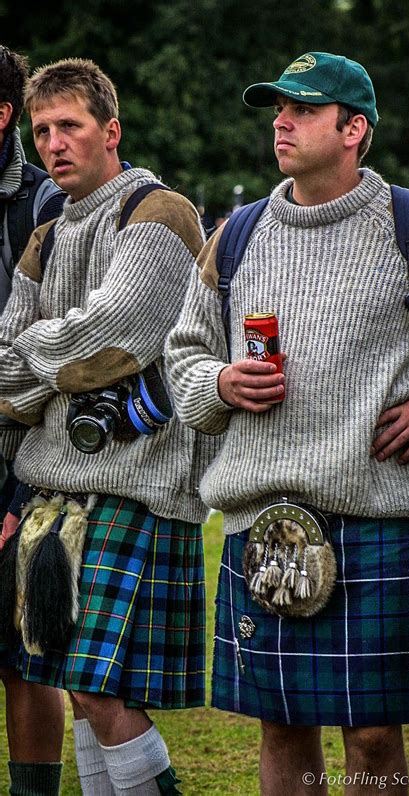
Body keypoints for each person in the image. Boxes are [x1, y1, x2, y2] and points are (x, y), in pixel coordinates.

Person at [166, 51, 409, 794]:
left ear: (353, 127)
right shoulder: (235, 236)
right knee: (282, 725)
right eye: (278, 107)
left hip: (373, 520)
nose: (281, 121)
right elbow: (184, 357)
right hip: (261, 522)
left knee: (371, 736)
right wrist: (221, 382)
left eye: (302, 108)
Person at [0, 57, 219, 795]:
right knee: (87, 697)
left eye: (71, 126)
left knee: (98, 694)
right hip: (54, 495)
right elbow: (5, 371)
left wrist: (35, 355)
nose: (55, 142)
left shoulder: (159, 213)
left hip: (140, 484)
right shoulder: (47, 235)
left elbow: (116, 335)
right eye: (43, 130)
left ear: (111, 131)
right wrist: (48, 361)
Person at [0, 44, 66, 796]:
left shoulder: (44, 203)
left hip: (20, 452)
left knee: (23, 651)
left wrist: (21, 490)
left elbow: (58, 346)